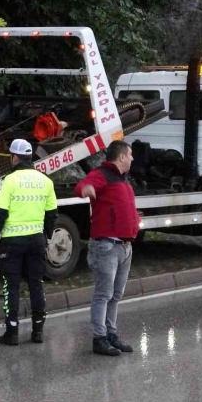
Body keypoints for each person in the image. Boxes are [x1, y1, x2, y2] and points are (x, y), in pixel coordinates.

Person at [0, 139, 58, 345]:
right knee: (36, 283)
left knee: (12, 286)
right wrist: (47, 236)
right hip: (36, 240)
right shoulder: (45, 180)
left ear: (15, 157)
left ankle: (12, 333)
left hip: (11, 241)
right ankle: (38, 331)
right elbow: (52, 214)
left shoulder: (9, 180)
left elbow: (0, 213)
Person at [74, 140, 139, 356]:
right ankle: (99, 338)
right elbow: (81, 186)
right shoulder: (102, 174)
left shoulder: (123, 178)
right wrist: (86, 189)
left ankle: (111, 333)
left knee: (116, 294)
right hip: (107, 246)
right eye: (130, 154)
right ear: (121, 156)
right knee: (104, 293)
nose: (132, 158)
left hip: (124, 246)